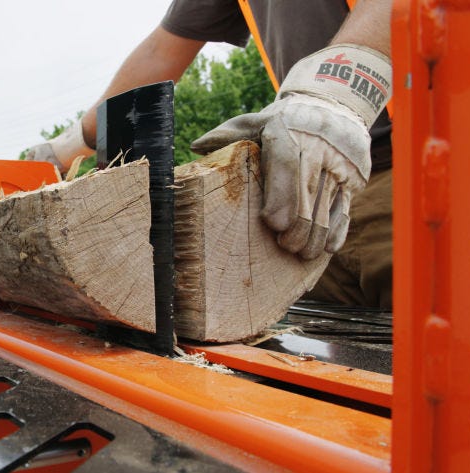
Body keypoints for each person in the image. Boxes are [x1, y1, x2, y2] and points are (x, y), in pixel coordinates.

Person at [26, 0, 394, 309]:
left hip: (416, 173)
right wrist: (66, 148)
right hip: (305, 188)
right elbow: (161, 52)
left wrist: (338, 93)